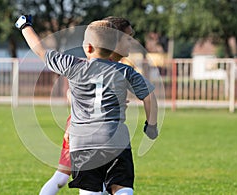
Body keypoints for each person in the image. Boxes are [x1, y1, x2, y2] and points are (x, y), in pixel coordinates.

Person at [15, 15, 158, 195]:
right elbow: (149, 97)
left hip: (83, 143)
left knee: (90, 191)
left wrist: (24, 25)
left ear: (88, 47)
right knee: (122, 187)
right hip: (116, 140)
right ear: (114, 47)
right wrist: (151, 126)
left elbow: (41, 51)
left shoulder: (73, 66)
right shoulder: (125, 71)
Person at [39, 16, 137, 195]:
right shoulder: (94, 65)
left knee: (106, 184)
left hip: (97, 135)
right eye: (128, 37)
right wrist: (70, 126)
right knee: (62, 177)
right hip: (83, 132)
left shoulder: (119, 68)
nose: (131, 42)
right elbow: (72, 95)